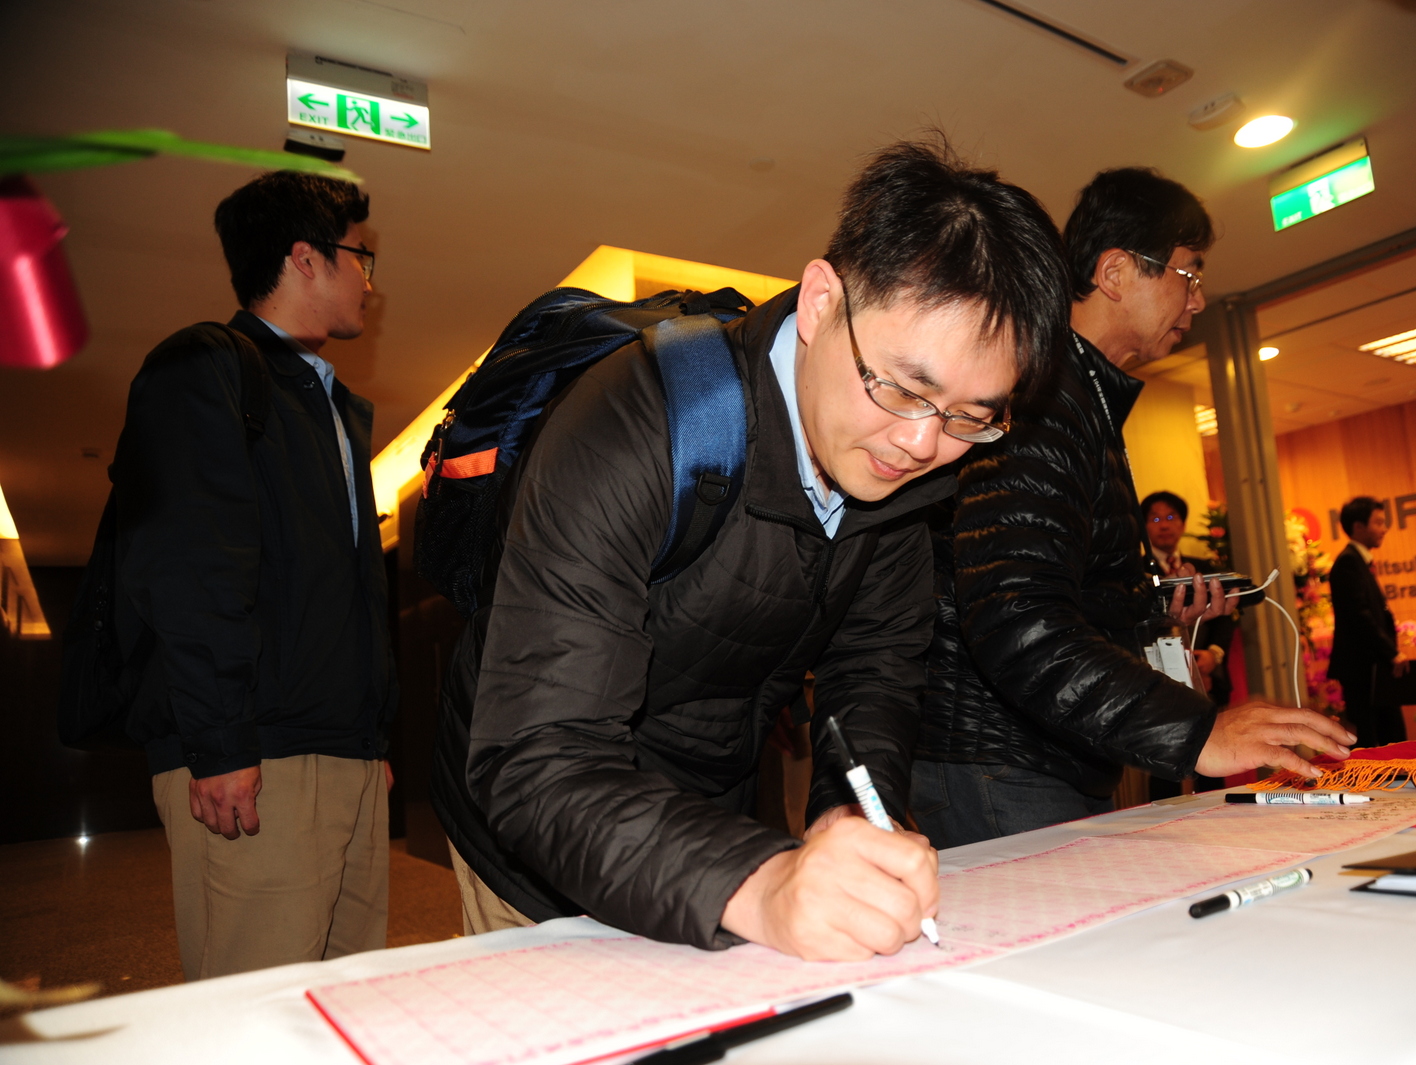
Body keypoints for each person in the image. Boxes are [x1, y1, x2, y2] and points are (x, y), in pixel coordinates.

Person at [432, 138, 1069, 962]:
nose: (920, 444)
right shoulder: (638, 425)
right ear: (820, 302)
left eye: (970, 416)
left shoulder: (902, 479)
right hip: (539, 840)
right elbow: (539, 756)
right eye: (902, 387)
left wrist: (853, 812)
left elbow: (875, 667)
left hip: (706, 819)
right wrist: (760, 882)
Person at [912, 167, 1355, 849]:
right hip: (1002, 759)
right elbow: (1015, 616)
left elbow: (1058, 588)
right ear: (1115, 271)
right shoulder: (1043, 398)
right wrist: (1199, 729)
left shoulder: (1078, 394)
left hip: (1033, 751)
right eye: (1188, 272)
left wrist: (1149, 611)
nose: (1197, 300)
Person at [113, 171, 396, 981]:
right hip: (258, 759)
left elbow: (343, 593)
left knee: (349, 1005)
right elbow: (189, 565)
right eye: (359, 257)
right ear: (305, 258)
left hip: (342, 757)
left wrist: (369, 736)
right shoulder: (205, 370)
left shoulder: (334, 406)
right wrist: (218, 743)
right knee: (257, 1014)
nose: (369, 281)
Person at [1142, 490, 1234, 798]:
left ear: (1182, 524)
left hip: (1205, 678)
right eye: (1155, 518)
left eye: (1170, 517)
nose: (1164, 525)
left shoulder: (1205, 568)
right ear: (1144, 527)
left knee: (1213, 760)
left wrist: (1214, 654)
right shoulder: (1135, 574)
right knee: (1162, 767)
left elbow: (1226, 619)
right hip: (1157, 685)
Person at [1327, 496, 1405, 748]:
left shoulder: (1360, 561)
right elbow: (1359, 616)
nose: (1385, 528)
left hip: (1373, 666)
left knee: (1390, 734)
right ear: (1359, 527)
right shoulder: (1348, 562)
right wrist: (1391, 652)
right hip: (1363, 668)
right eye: (1378, 522)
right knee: (1371, 738)